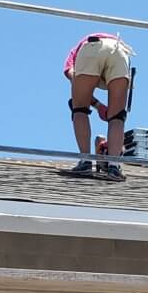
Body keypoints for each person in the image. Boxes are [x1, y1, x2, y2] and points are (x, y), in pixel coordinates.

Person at [60, 33, 135, 182]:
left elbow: (76, 83)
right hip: (119, 50)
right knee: (117, 117)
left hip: (92, 48)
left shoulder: (74, 54)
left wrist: (95, 105)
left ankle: (85, 161)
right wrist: (100, 106)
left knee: (79, 109)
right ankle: (114, 166)